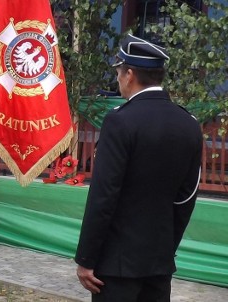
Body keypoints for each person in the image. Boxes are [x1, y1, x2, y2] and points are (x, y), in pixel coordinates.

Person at [75, 34, 202, 301]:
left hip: (116, 265)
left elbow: (104, 195)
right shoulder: (189, 123)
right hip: (159, 261)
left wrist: (86, 258)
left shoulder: (120, 121)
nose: (118, 79)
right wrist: (167, 247)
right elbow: (187, 197)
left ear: (130, 74)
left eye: (119, 73)